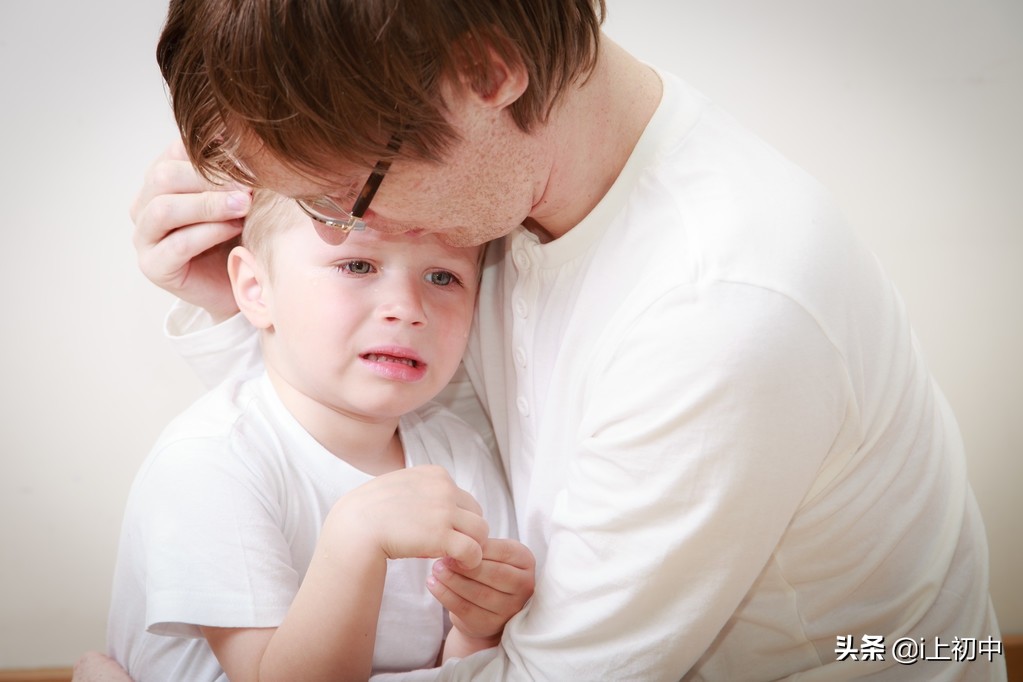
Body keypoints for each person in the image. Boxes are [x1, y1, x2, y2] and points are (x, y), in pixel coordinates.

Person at [78, 0, 1006, 679]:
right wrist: (244, 307)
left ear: (487, 75)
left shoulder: (718, 312)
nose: (333, 228)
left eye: (343, 197)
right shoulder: (522, 179)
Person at [105, 189, 535, 682]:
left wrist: (477, 627)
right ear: (255, 288)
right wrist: (357, 536)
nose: (407, 308)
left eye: (443, 276)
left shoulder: (459, 455)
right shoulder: (210, 461)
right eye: (358, 266)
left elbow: (457, 668)